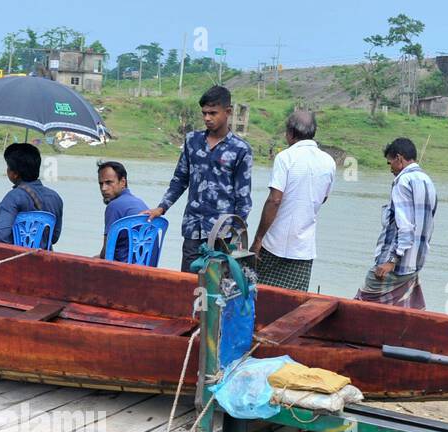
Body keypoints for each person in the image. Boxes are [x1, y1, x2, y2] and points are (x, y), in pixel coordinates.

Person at [146, 85, 253, 273]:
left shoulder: (241, 149)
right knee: (188, 286)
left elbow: (243, 199)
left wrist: (237, 238)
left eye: (213, 113)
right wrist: (161, 208)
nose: (207, 118)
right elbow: (180, 179)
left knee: (218, 290)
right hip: (193, 230)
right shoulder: (192, 141)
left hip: (223, 236)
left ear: (227, 112)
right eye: (204, 113)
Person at [249, 109, 334, 291]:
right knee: (294, 303)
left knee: (263, 296)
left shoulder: (285, 157)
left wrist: (258, 240)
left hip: (273, 245)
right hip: (303, 248)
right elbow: (324, 198)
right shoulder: (329, 162)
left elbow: (275, 200)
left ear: (291, 133)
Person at [355, 138, 437, 309]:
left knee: (364, 301)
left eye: (390, 162)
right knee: (400, 308)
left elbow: (405, 227)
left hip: (397, 265)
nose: (390, 168)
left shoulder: (402, 182)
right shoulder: (427, 181)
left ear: (399, 159)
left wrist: (391, 260)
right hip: (416, 262)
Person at [0, 143, 63, 247]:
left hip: (15, 260)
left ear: (14, 173)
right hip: (43, 260)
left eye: (8, 167)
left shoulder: (13, 198)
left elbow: (0, 236)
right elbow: (54, 237)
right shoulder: (55, 198)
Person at [96, 161, 149, 261]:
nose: (103, 188)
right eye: (101, 184)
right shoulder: (140, 203)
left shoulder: (114, 206)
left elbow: (106, 252)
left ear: (123, 182)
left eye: (109, 183)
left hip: (122, 269)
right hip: (147, 266)